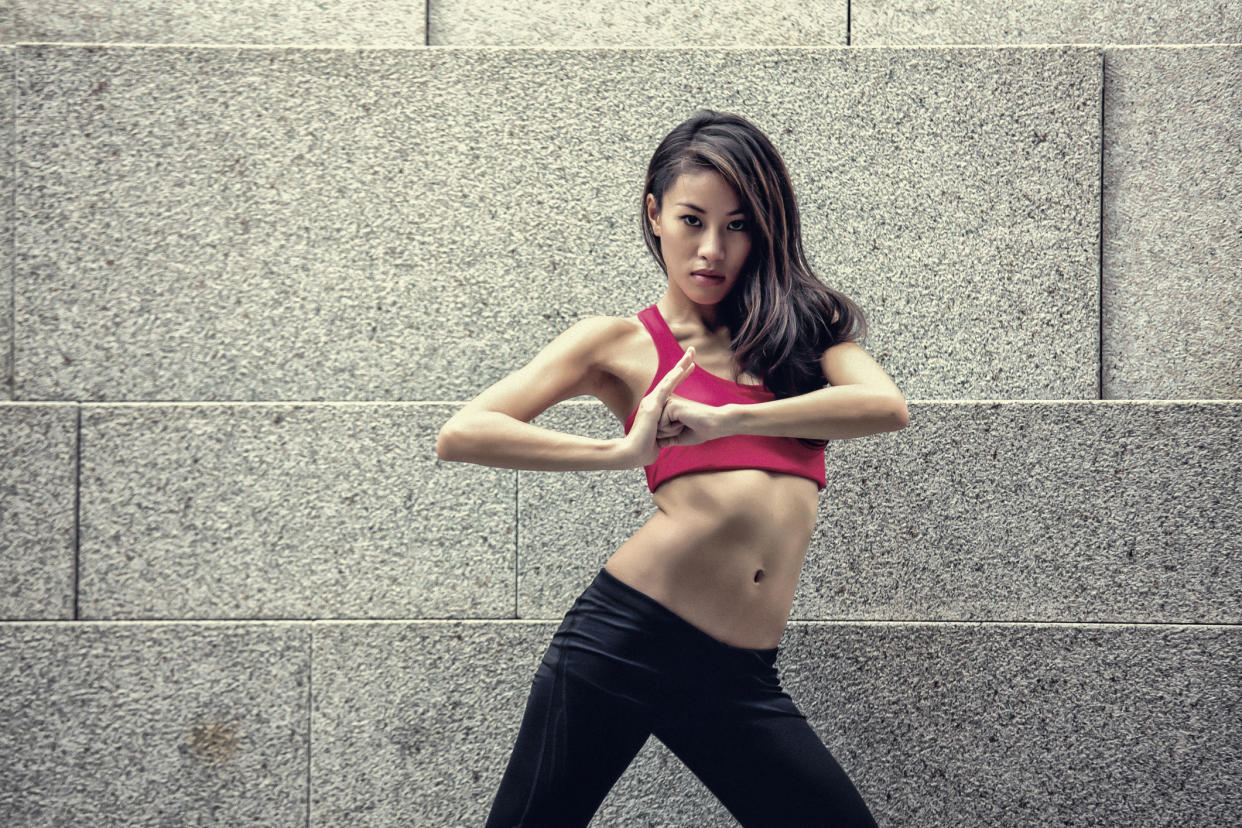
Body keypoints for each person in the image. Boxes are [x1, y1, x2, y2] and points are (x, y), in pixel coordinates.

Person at [436, 109, 908, 828]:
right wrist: (620, 453)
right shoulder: (619, 342)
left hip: (738, 676)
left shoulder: (804, 338)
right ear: (654, 216)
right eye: (692, 220)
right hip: (626, 640)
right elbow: (464, 432)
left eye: (738, 225)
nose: (712, 249)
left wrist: (732, 418)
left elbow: (884, 406)